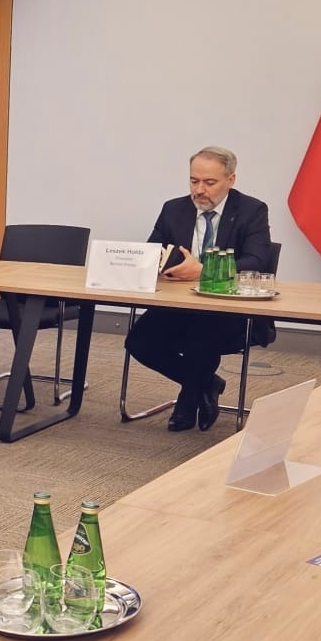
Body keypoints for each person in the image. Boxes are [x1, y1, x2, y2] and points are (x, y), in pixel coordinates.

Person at [124, 147, 275, 431]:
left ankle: (187, 401)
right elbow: (152, 252)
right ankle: (207, 383)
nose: (199, 190)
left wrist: (204, 271)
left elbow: (256, 261)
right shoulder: (174, 209)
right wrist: (158, 264)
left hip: (229, 309)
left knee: (201, 337)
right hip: (179, 304)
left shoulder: (252, 210)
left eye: (209, 182)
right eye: (194, 181)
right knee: (138, 341)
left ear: (231, 180)